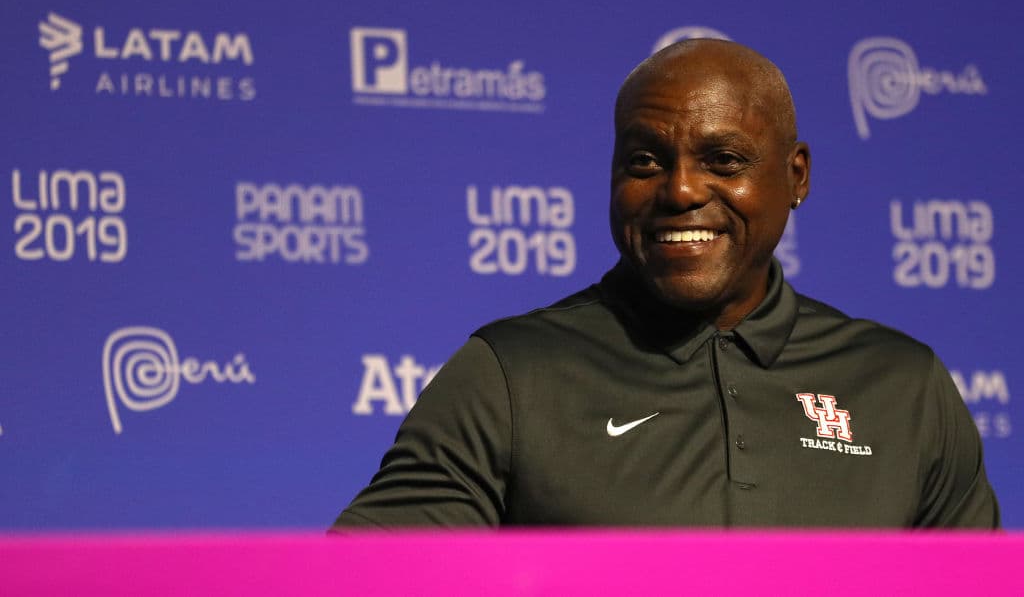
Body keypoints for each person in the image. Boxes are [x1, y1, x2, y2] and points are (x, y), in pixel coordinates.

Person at [333, 39, 999, 528]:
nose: (679, 189)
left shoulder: (904, 386)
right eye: (646, 160)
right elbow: (362, 580)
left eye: (723, 160)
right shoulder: (512, 374)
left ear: (796, 177)